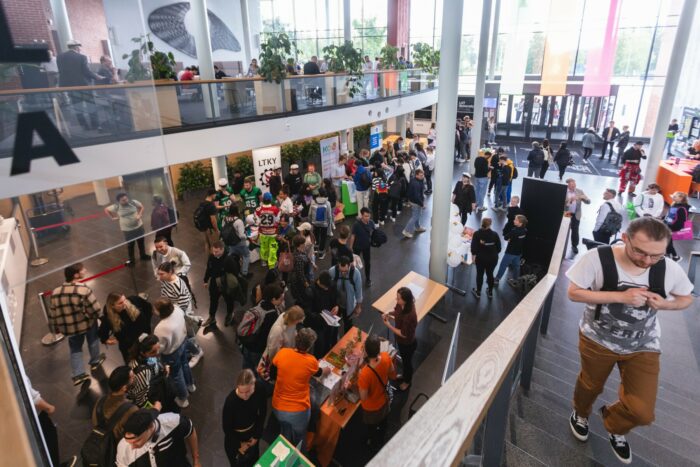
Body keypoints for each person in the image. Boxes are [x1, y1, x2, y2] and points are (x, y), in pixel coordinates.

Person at [565, 218, 693, 464]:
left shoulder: (667, 268)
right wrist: (620, 297)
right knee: (591, 385)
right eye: (640, 252)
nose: (647, 261)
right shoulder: (597, 258)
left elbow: (686, 298)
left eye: (655, 255)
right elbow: (573, 292)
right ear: (625, 238)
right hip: (597, 340)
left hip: (643, 344)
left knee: (642, 412)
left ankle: (615, 423)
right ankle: (580, 413)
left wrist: (666, 304)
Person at [271, 328, 330, 451]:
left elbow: (273, 373)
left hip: (277, 406)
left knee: (285, 433)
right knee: (299, 439)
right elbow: (320, 373)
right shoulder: (311, 361)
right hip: (298, 411)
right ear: (309, 346)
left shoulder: (282, 353)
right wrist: (327, 370)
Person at [49, 263, 104, 385]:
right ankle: (95, 361)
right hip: (87, 324)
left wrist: (55, 328)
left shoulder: (56, 292)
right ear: (76, 275)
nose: (85, 270)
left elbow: (53, 313)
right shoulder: (83, 290)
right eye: (82, 269)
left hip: (69, 328)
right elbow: (95, 309)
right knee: (93, 341)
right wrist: (97, 318)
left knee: (75, 348)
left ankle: (78, 374)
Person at [156, 262, 204, 368]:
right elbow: (164, 294)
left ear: (170, 272)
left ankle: (197, 352)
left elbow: (183, 305)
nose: (159, 277)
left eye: (162, 274)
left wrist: (172, 316)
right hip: (172, 311)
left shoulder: (178, 286)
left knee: (189, 334)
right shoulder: (165, 280)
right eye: (159, 273)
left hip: (181, 314)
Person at [117, 409, 201, 467]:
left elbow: (190, 430)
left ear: (150, 426)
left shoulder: (173, 422)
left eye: (137, 440)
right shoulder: (123, 446)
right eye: (129, 442)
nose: (132, 447)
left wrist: (196, 460)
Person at [358, 335, 397, 454]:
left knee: (372, 427)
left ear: (365, 351)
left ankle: (373, 444)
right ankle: (381, 438)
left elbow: (363, 397)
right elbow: (392, 374)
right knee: (383, 422)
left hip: (371, 408)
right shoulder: (386, 357)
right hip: (384, 400)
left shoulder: (364, 374)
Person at [152, 299, 194, 409]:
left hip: (171, 354)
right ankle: (191, 385)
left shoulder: (160, 328)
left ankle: (183, 398)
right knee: (185, 364)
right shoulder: (177, 309)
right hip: (183, 343)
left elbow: (160, 347)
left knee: (176, 375)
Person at [222, 369, 267, 466]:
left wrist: (256, 436)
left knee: (254, 460)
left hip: (252, 432)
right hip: (235, 439)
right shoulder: (231, 402)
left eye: (247, 391)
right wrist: (240, 445)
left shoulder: (260, 389)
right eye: (241, 392)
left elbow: (262, 413)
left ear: (254, 384)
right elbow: (227, 428)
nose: (244, 396)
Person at [57, 39, 102, 130]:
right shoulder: (82, 57)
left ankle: (84, 126)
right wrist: (97, 77)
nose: (80, 50)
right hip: (83, 85)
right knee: (90, 105)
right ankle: (95, 125)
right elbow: (86, 71)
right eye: (79, 48)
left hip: (70, 87)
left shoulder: (59, 57)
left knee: (77, 106)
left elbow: (62, 71)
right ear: (76, 47)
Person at [240, 283, 285, 371]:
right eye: (280, 299)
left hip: (246, 344)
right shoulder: (273, 315)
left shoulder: (260, 303)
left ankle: (244, 381)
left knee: (246, 367)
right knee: (258, 370)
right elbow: (269, 335)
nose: (282, 301)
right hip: (257, 350)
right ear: (273, 299)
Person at [99, 293, 153, 364]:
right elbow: (102, 332)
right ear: (112, 306)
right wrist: (106, 340)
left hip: (145, 339)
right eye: (120, 303)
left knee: (150, 360)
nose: (124, 304)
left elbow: (148, 307)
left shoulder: (134, 300)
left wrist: (147, 324)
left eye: (124, 300)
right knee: (133, 365)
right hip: (129, 347)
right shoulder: (109, 318)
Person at [127, 334, 176, 412]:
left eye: (158, 348)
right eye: (153, 352)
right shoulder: (143, 372)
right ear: (143, 353)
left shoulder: (147, 357)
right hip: (153, 396)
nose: (157, 353)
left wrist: (163, 368)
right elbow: (140, 399)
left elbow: (156, 362)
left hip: (156, 386)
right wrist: (154, 411)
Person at [382, 287, 417, 391]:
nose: (396, 300)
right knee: (405, 361)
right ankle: (404, 376)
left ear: (405, 300)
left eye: (398, 298)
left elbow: (403, 334)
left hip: (408, 343)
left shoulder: (409, 315)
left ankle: (407, 381)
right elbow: (396, 311)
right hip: (401, 342)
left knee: (407, 363)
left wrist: (389, 325)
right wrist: (389, 313)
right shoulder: (400, 304)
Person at [93, 366, 139, 442]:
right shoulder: (131, 409)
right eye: (132, 377)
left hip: (98, 437)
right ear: (124, 388)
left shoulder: (100, 400)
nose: (135, 377)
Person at [151, 236, 197, 305]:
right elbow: (155, 267)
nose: (159, 249)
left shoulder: (177, 252)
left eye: (161, 246)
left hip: (177, 279)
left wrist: (177, 275)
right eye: (156, 247)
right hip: (165, 282)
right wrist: (158, 276)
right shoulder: (154, 254)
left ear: (166, 244)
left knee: (181, 296)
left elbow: (187, 264)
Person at [202, 241, 237, 331]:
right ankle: (212, 317)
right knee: (213, 300)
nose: (214, 253)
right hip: (214, 282)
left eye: (216, 251)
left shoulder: (229, 259)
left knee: (229, 300)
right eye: (213, 251)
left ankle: (230, 314)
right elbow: (208, 268)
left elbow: (235, 273)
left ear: (222, 249)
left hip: (225, 283)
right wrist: (205, 280)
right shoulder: (211, 257)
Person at [105, 192, 150, 263]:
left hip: (139, 226)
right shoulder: (116, 206)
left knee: (141, 242)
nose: (126, 201)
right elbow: (106, 209)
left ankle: (143, 255)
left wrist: (139, 214)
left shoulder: (133, 202)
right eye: (123, 200)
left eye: (126, 199)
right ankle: (131, 260)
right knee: (130, 245)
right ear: (119, 201)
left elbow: (141, 207)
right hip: (127, 230)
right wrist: (112, 218)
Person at [307, 271, 339, 357]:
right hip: (318, 324)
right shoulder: (311, 291)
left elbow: (335, 298)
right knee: (320, 345)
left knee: (329, 340)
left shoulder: (331, 285)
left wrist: (336, 306)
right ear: (319, 282)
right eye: (325, 287)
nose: (327, 289)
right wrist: (321, 317)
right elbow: (308, 312)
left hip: (330, 320)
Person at [328, 256, 364, 331]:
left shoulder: (356, 273)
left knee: (348, 326)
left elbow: (358, 291)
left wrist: (358, 307)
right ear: (338, 265)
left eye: (345, 271)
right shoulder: (332, 271)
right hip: (335, 304)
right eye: (341, 271)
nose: (343, 273)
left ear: (349, 265)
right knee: (333, 326)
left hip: (349, 304)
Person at [470, 218, 501, 299]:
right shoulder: (495, 234)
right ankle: (490, 292)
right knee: (490, 274)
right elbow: (499, 248)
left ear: (482, 223)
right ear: (490, 224)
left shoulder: (477, 234)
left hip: (481, 259)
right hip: (493, 259)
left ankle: (478, 292)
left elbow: (473, 248)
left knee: (480, 275)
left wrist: (473, 257)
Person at [495, 215, 528, 285]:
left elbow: (506, 238)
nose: (514, 220)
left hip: (510, 252)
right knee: (516, 266)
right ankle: (515, 280)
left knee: (503, 265)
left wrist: (510, 239)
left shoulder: (514, 231)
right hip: (518, 253)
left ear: (520, 223)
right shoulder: (525, 230)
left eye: (516, 220)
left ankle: (497, 279)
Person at [221, 205, 251, 277]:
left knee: (232, 256)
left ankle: (233, 270)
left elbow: (223, 229)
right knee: (246, 255)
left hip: (229, 242)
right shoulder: (238, 221)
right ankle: (244, 272)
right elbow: (241, 235)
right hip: (239, 243)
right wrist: (247, 236)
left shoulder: (224, 219)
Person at [349, 207, 376, 286]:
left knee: (367, 263)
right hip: (356, 247)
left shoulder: (371, 222)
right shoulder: (356, 225)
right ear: (361, 215)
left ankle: (368, 279)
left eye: (368, 216)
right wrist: (350, 247)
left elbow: (374, 233)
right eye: (365, 216)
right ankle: (353, 278)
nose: (367, 218)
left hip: (366, 247)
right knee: (354, 263)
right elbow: (353, 236)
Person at [565, 178, 591, 255]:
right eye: (572, 185)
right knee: (564, 229)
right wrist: (570, 200)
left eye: (574, 185)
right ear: (568, 185)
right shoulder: (564, 191)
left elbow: (588, 202)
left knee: (575, 230)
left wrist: (585, 198)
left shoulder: (579, 191)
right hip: (567, 213)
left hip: (576, 214)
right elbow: (561, 202)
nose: (574, 187)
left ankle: (574, 246)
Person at [663, 191, 690, 262]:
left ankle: (675, 256)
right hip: (667, 226)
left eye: (675, 196)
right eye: (673, 196)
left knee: (667, 241)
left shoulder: (682, 208)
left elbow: (681, 221)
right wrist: (663, 220)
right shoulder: (674, 205)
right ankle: (669, 254)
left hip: (672, 227)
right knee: (668, 241)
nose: (673, 197)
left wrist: (672, 229)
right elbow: (669, 215)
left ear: (681, 198)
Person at [255, 192, 280, 268]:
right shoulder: (276, 209)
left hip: (263, 233)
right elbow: (277, 221)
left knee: (263, 247)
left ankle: (264, 261)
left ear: (263, 199)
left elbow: (257, 222)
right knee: (273, 248)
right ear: (271, 199)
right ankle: (272, 264)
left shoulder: (258, 209)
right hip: (273, 234)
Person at [308, 188, 333, 258]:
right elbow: (329, 216)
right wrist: (329, 226)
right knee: (323, 237)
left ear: (318, 194)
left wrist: (310, 222)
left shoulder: (313, 202)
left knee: (316, 236)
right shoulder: (328, 203)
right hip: (324, 224)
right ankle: (321, 254)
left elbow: (309, 214)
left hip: (315, 223)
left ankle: (315, 251)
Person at [402, 169, 426, 239]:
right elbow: (417, 196)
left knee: (417, 215)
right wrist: (422, 204)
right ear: (416, 175)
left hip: (414, 201)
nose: (423, 176)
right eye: (421, 175)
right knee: (415, 217)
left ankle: (417, 227)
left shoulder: (416, 180)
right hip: (416, 202)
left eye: (423, 175)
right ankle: (406, 231)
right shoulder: (416, 184)